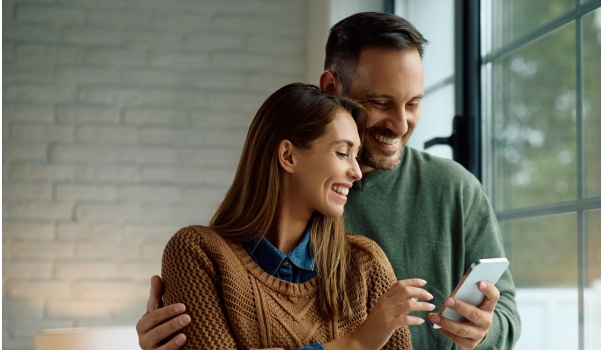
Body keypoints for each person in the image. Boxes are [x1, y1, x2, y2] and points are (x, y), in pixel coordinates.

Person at [137, 12, 521, 350]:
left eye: (413, 103)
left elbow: (505, 314)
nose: (401, 125)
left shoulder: (449, 193)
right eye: (381, 103)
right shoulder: (226, 245)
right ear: (331, 88)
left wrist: (484, 330)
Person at [156, 83, 435, 350]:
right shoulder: (198, 253)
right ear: (288, 156)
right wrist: (357, 343)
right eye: (342, 153)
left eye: (356, 155)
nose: (356, 172)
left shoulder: (366, 265)